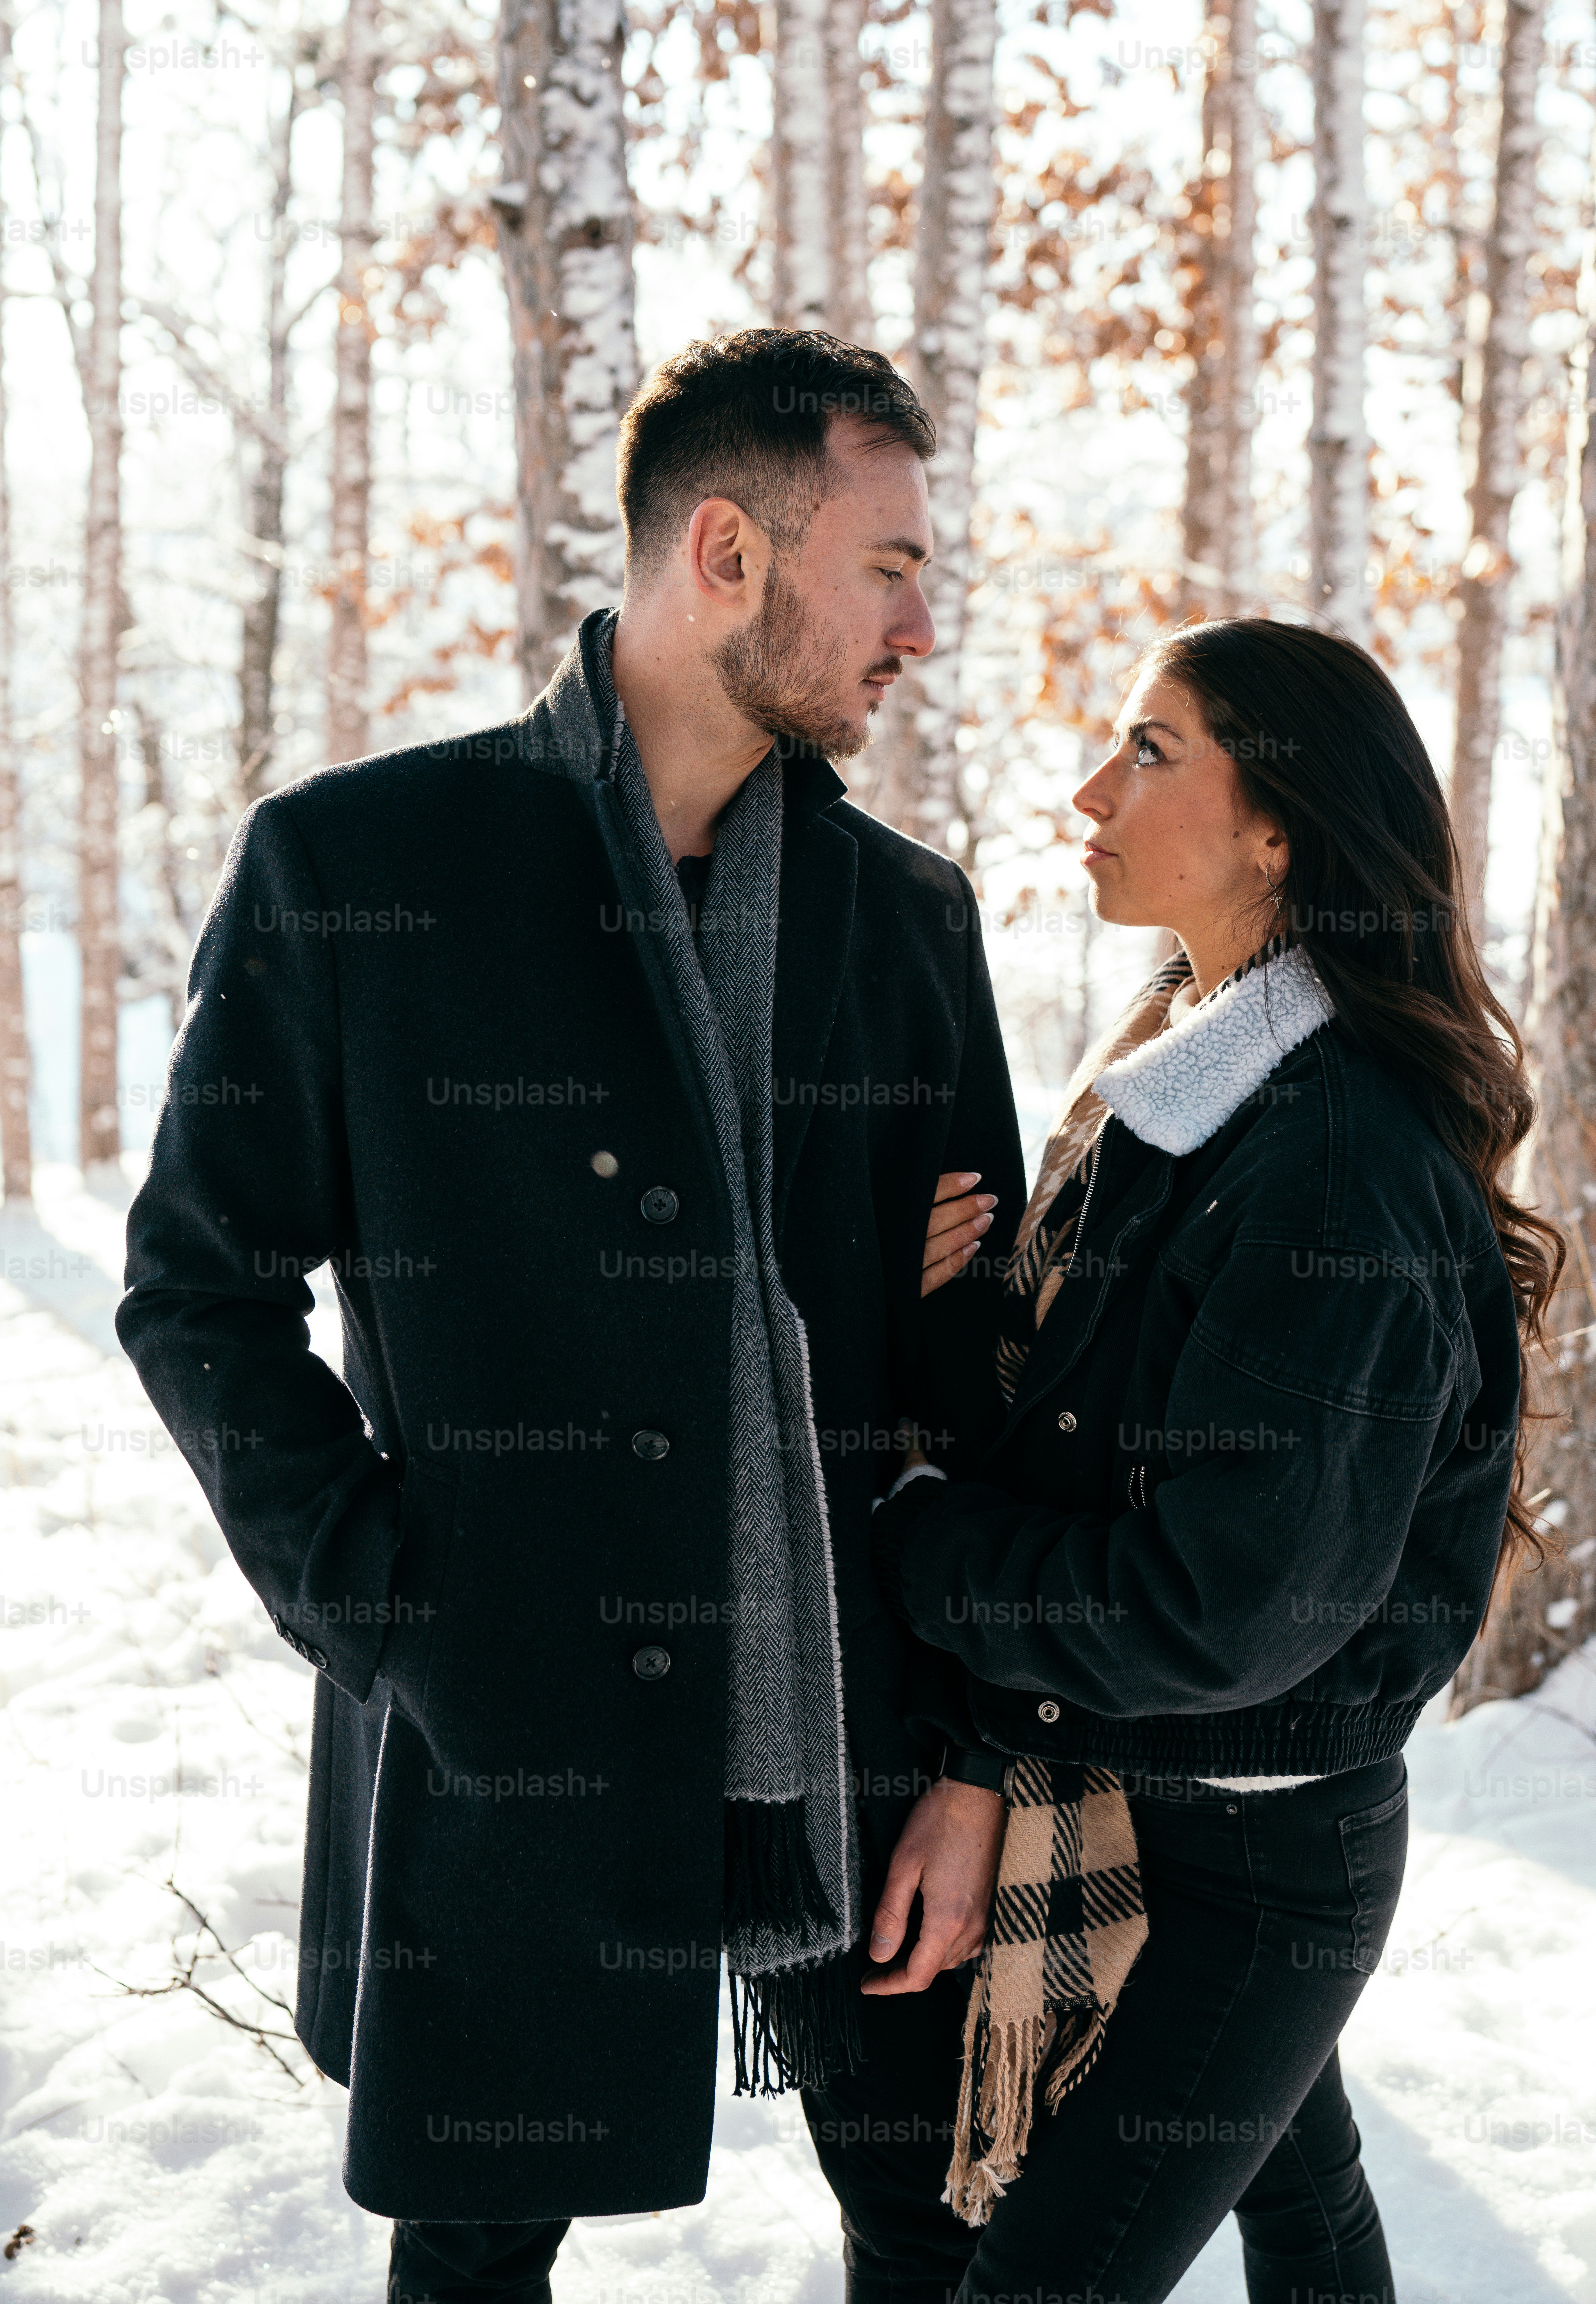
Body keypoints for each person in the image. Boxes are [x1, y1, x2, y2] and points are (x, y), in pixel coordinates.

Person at [114, 328, 1028, 2302]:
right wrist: (388, 1601)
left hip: (858, 1721)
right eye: (885, 569)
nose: (919, 626)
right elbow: (200, 1286)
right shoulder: (364, 870)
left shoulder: (906, 918)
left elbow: (984, 1374)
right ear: (725, 550)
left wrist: (977, 1749)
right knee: (471, 2248)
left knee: (937, 2229)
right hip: (501, 1717)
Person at [857, 617, 1564, 2304]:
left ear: (1280, 831)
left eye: (1153, 749)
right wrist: (939, 1311)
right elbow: (1081, 1434)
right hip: (1147, 1789)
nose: (1088, 789)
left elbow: (1215, 1603)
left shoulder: (1330, 1162)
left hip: (1261, 1846)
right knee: (1311, 2226)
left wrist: (917, 1539)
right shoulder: (1185, 1068)